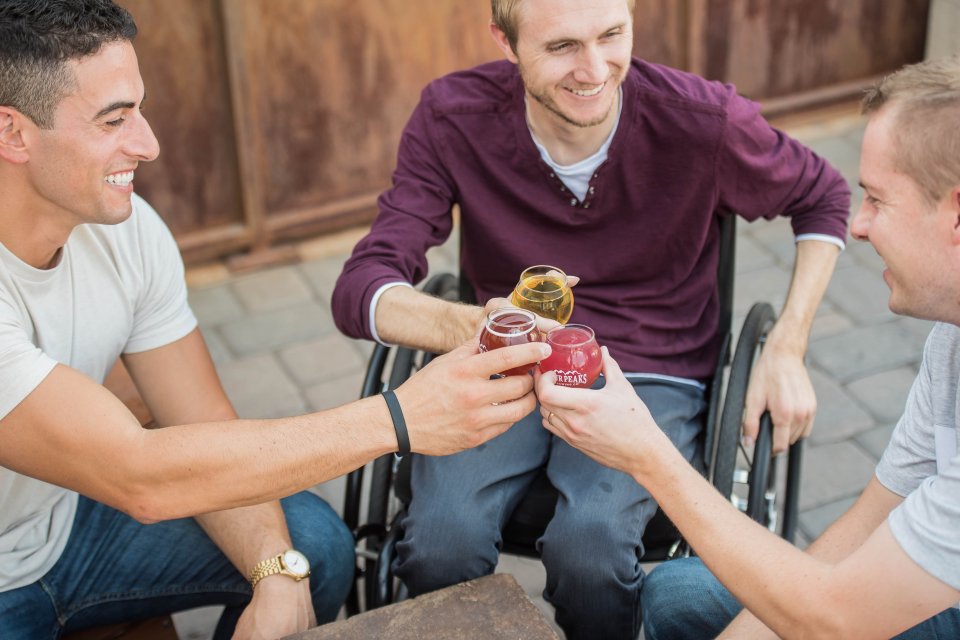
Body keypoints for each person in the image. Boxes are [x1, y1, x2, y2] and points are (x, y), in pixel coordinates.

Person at [0, 1, 549, 638]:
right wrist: (402, 417)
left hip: (66, 531)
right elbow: (139, 475)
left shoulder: (125, 231)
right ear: (13, 133)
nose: (147, 144)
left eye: (139, 109)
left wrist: (276, 571)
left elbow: (200, 419)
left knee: (314, 546)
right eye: (113, 120)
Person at [330, 0, 850, 636]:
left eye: (612, 34)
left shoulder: (701, 120)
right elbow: (360, 287)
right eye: (561, 47)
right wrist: (477, 326)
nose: (595, 68)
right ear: (505, 40)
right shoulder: (453, 116)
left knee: (591, 548)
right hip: (509, 360)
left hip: (654, 366)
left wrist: (789, 345)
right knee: (438, 539)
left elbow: (823, 196)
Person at [536, 54, 960, 640]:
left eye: (879, 200)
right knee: (679, 592)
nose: (859, 226)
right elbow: (861, 533)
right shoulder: (951, 340)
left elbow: (836, 619)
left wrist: (644, 452)